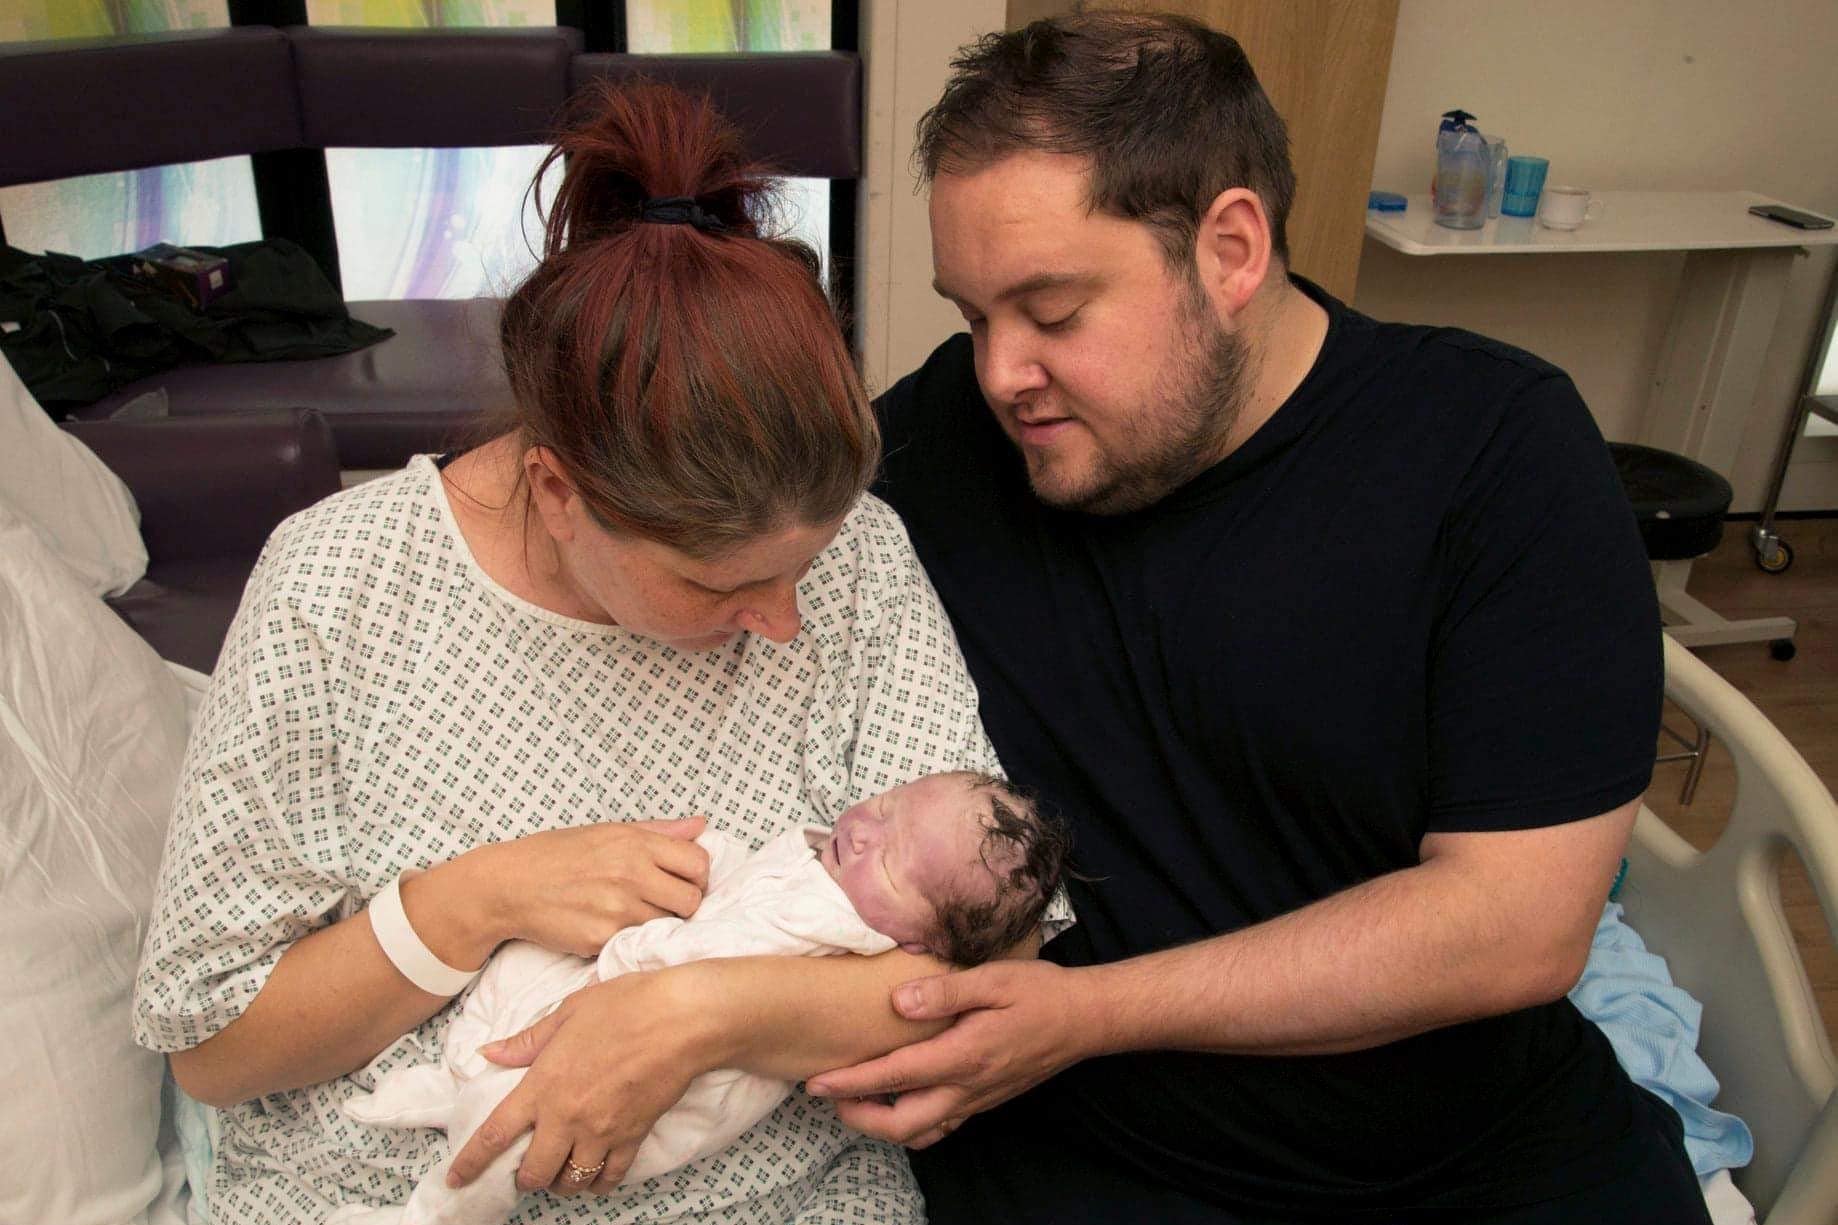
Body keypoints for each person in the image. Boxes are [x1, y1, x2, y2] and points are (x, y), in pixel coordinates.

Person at [802, 13, 1712, 1225]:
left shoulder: (1490, 454)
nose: (999, 370)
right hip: (1104, 1160)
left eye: (1053, 311)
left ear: (1230, 248)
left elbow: (1516, 926)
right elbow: (703, 496)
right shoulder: (949, 450)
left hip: (1470, 1151)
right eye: (972, 317)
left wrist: (1086, 1014)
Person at [131, 82, 1065, 1225]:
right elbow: (213, 1048)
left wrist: (693, 1015)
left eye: (799, 570)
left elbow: (990, 965)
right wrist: (470, 904)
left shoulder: (860, 558)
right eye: (719, 582)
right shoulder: (344, 585)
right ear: (556, 491)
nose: (784, 621)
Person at [332, 772, 1066, 1225]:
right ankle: (461, 1078)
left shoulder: (847, 931)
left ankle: (437, 1212)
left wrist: (653, 965)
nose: (865, 828)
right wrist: (699, 859)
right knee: (524, 961)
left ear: (922, 940)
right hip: (623, 983)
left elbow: (722, 955)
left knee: (519, 1131)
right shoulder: (829, 861)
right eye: (887, 804)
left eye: (895, 859)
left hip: (674, 1089)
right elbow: (744, 877)